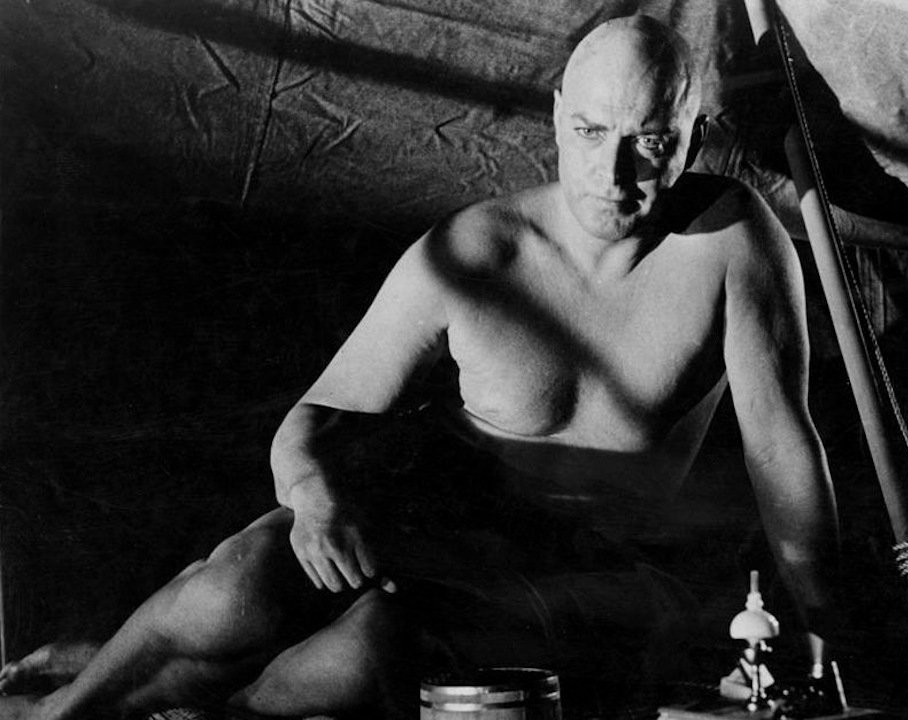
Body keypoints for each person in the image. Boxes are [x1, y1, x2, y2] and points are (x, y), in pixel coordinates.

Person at [0, 15, 842, 720]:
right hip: (449, 534)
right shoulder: (476, 250)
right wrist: (315, 498)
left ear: (694, 137)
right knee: (236, 589)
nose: (613, 174)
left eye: (650, 143)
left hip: (603, 576)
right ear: (556, 117)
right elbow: (315, 418)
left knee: (371, 654)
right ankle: (58, 711)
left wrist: (816, 624)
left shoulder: (733, 242)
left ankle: (204, 702)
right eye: (590, 133)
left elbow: (780, 447)